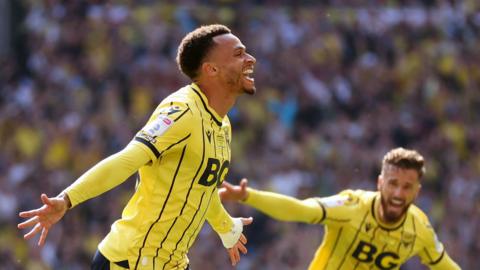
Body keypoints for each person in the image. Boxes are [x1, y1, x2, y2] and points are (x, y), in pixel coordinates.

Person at [18, 24, 256, 270]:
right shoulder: (183, 112)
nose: (251, 59)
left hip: (171, 264)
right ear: (212, 69)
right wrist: (67, 199)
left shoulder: (222, 124)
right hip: (131, 261)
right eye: (239, 54)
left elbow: (201, 189)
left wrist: (226, 227)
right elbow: (127, 160)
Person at [220, 148, 461, 269]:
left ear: (417, 191)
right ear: (380, 183)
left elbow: (444, 265)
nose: (398, 194)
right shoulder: (352, 206)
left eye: (407, 187)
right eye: (393, 184)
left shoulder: (420, 229)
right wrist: (249, 196)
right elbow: (300, 210)